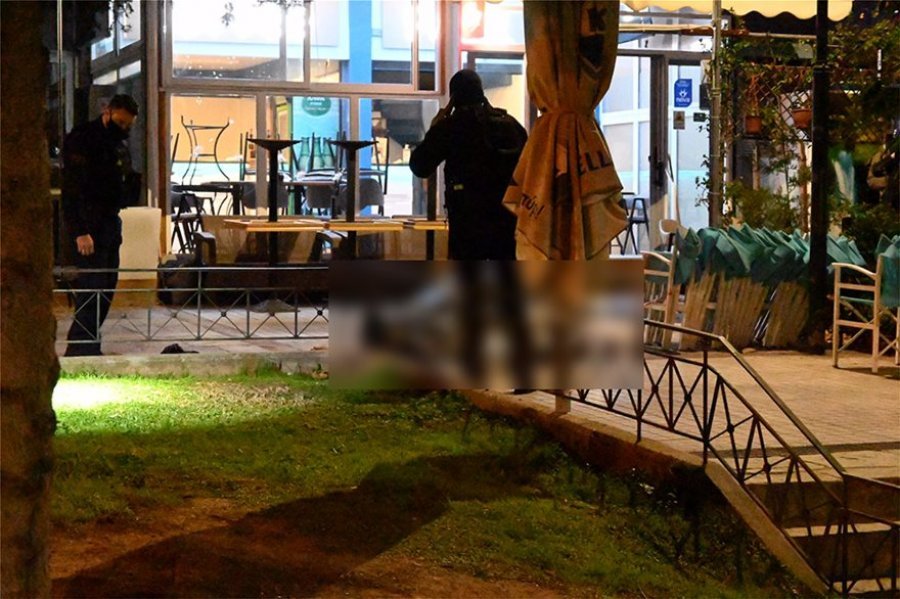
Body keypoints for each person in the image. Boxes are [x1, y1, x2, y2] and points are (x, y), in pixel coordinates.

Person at [409, 69, 527, 260]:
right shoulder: (510, 124)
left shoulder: (451, 127)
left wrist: (434, 128)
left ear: (453, 98)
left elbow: (419, 166)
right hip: (506, 220)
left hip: (466, 221)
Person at [62, 94, 139, 356]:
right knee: (92, 286)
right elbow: (72, 189)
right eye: (121, 122)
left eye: (128, 125)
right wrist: (80, 231)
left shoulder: (117, 144)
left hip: (109, 221)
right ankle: (81, 347)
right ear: (107, 112)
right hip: (88, 222)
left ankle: (88, 342)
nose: (124, 128)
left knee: (106, 285)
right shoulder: (83, 138)